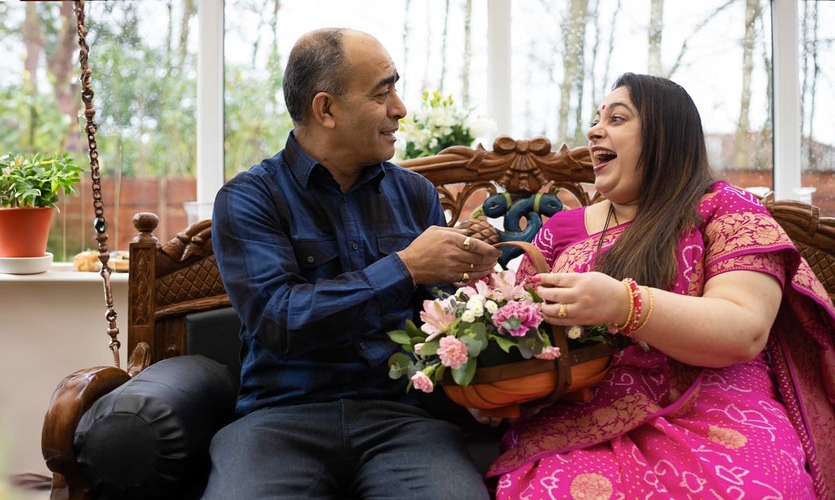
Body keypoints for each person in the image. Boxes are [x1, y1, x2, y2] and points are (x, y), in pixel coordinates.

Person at [490, 72, 835, 498]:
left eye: (617, 119)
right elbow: (520, 335)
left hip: (716, 408)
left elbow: (745, 330)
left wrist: (623, 304)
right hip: (577, 421)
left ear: (664, 137)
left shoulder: (724, 208)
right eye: (598, 119)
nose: (594, 130)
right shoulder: (560, 230)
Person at [206, 28, 501, 499]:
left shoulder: (415, 194)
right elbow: (277, 319)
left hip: (402, 420)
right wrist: (405, 267)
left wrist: (472, 281)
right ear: (326, 109)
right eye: (383, 92)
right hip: (279, 421)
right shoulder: (249, 198)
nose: (400, 109)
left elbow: (441, 325)